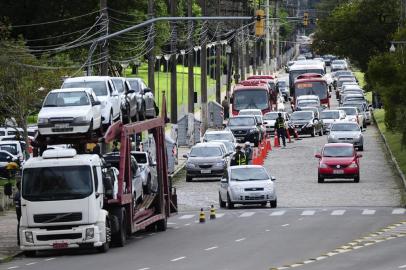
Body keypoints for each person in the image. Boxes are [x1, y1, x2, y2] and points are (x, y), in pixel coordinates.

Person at [14, 181, 21, 246]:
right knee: (20, 225)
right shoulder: (18, 194)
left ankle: (19, 240)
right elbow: (17, 206)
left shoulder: (19, 193)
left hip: (20, 212)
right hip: (20, 213)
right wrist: (19, 215)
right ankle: (19, 240)